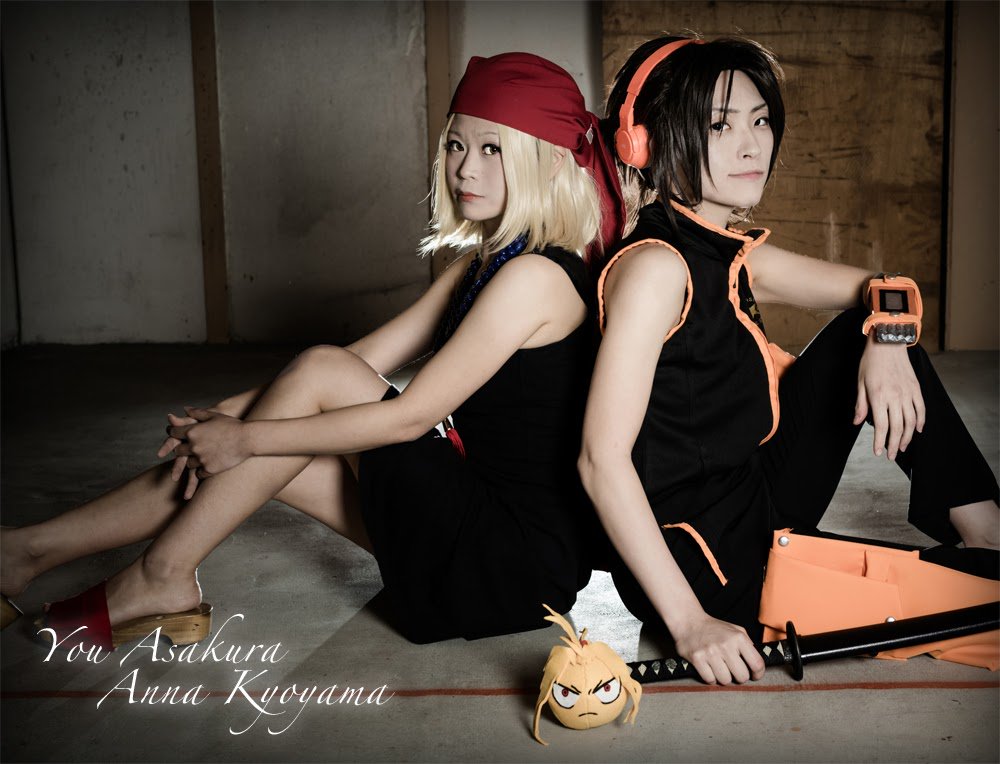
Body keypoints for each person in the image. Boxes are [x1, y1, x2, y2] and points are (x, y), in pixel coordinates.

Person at [0, 52, 625, 647]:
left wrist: (247, 436)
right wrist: (234, 412)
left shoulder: (536, 278)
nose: (465, 168)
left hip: (511, 564)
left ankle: (159, 575)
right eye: (456, 145)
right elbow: (368, 359)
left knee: (295, 402)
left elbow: (408, 415)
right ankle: (26, 551)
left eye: (492, 149)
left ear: (548, 161)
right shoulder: (488, 263)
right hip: (474, 528)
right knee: (266, 448)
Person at [578, 36, 999, 685]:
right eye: (720, 126)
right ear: (648, 143)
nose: (752, 145)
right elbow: (600, 460)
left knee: (869, 326)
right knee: (977, 613)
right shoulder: (656, 270)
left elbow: (885, 288)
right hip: (704, 561)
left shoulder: (725, 249)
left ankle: (988, 533)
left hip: (755, 492)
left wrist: (887, 342)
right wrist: (690, 623)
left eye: (760, 120)